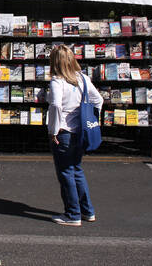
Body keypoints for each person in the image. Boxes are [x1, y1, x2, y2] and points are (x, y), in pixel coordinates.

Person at [47, 44, 102, 226]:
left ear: (54, 62)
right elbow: (98, 100)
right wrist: (91, 119)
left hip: (63, 133)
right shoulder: (82, 78)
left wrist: (53, 130)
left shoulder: (57, 81)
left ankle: (72, 214)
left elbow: (55, 105)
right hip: (80, 132)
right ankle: (87, 211)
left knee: (65, 173)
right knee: (77, 170)